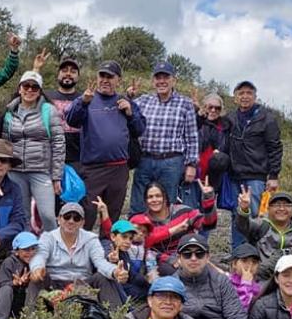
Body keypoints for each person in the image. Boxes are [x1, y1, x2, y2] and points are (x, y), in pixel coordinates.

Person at [66, 61, 145, 229]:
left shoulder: (125, 102)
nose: (105, 80)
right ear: (97, 77)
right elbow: (71, 121)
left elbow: (139, 130)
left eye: (110, 77)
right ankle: (81, 250)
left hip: (119, 168)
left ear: (119, 80)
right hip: (92, 169)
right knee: (87, 213)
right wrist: (83, 103)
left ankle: (110, 249)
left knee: (113, 214)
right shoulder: (86, 99)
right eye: (102, 76)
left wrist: (130, 114)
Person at [27, 202, 129, 310]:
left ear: (82, 223)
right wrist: (37, 268)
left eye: (76, 218)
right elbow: (39, 256)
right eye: (67, 217)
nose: (71, 221)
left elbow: (101, 263)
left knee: (104, 277)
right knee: (37, 278)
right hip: (54, 283)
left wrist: (115, 272)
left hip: (82, 284)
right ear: (59, 219)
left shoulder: (91, 239)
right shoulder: (48, 237)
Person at [128, 61, 199, 215]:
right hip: (145, 160)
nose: (162, 81)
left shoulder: (185, 104)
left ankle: (165, 237)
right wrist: (129, 96)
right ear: (153, 81)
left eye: (166, 77)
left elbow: (192, 137)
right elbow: (125, 110)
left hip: (172, 163)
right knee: (138, 204)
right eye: (158, 77)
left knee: (167, 205)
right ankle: (137, 237)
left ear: (174, 80)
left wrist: (191, 164)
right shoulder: (143, 101)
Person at [2, 70, 65, 232]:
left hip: (41, 171)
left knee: (48, 216)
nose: (30, 90)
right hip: (15, 171)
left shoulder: (48, 110)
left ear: (40, 91)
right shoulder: (10, 112)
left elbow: (58, 142)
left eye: (34, 87)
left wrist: (56, 176)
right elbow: (5, 143)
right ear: (20, 88)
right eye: (26, 86)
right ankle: (27, 251)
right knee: (21, 216)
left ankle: (53, 249)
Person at [227, 80, 283, 248]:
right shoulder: (231, 117)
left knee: (255, 217)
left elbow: (275, 147)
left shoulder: (267, 118)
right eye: (241, 93)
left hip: (256, 176)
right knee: (237, 215)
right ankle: (238, 253)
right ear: (235, 97)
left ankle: (255, 254)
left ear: (255, 96)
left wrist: (273, 175)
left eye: (249, 93)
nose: (245, 97)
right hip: (234, 175)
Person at [142, 181, 217, 266]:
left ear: (165, 198)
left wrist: (208, 201)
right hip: (160, 262)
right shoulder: (143, 221)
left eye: (158, 196)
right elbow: (143, 247)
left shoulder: (183, 211)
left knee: (219, 275)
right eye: (150, 197)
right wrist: (169, 259)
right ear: (145, 201)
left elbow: (208, 224)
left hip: (189, 256)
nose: (154, 200)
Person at [0, 231, 39, 319]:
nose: (31, 253)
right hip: (10, 303)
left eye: (33, 249)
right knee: (6, 289)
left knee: (34, 286)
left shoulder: (38, 263)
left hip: (26, 303)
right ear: (17, 251)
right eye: (26, 250)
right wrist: (15, 283)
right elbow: (1, 285)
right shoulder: (8, 263)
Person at [37, 55, 82, 165]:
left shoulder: (84, 99)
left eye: (73, 71)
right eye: (64, 70)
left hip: (77, 159)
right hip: (48, 158)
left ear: (78, 77)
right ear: (58, 74)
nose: (68, 74)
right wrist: (36, 69)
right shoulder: (46, 96)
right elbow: (26, 89)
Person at [235, 189, 292, 262]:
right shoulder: (261, 225)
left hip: (290, 271)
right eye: (277, 205)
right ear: (268, 209)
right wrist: (244, 209)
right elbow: (242, 226)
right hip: (262, 270)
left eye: (286, 205)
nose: (282, 208)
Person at [103, 219, 152, 302]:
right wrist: (110, 258)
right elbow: (106, 251)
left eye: (130, 238)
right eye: (124, 237)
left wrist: (148, 280)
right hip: (109, 287)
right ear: (113, 237)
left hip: (123, 285)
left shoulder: (125, 253)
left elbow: (132, 275)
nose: (128, 242)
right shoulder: (107, 245)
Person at [228, 243, 262, 310]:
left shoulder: (258, 288)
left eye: (254, 262)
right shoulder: (227, 283)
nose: (250, 265)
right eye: (244, 261)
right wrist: (246, 284)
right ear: (234, 263)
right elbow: (238, 310)